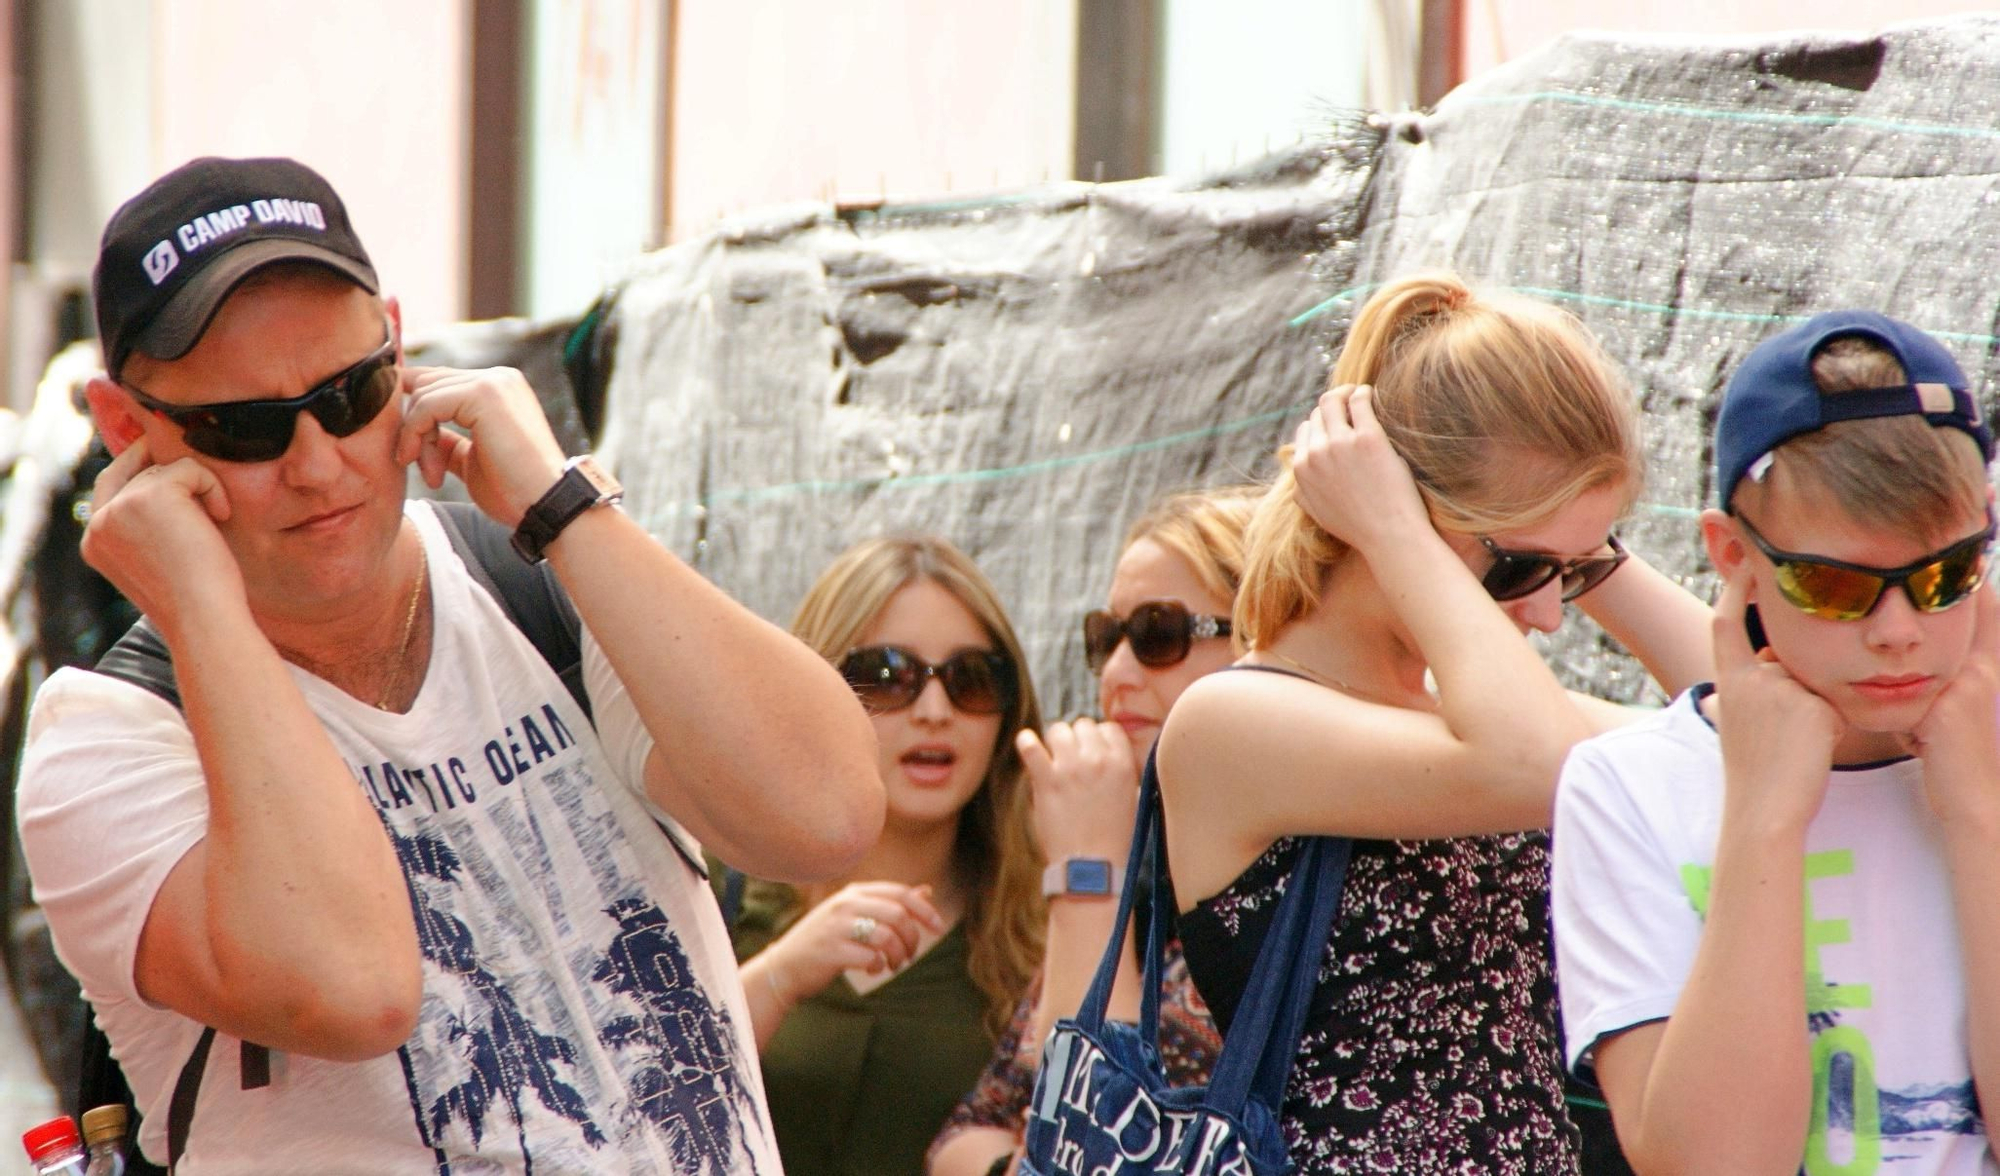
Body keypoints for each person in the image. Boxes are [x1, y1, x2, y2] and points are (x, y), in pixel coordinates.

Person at [14, 156, 884, 1173]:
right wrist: (201, 604)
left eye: (350, 393)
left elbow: (825, 817)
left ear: (399, 345)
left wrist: (564, 508)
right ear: (127, 429)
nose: (317, 463)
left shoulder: (540, 579)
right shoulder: (107, 738)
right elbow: (353, 986)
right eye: (241, 429)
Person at [1154, 272, 1713, 1173]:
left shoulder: (1475, 719)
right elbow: (1542, 768)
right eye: (1520, 571)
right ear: (1391, 509)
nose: (1547, 617)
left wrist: (1588, 556)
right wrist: (1396, 530)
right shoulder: (1233, 721)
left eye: (1568, 577)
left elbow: (1740, 727)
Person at [1553, 311, 2000, 1173]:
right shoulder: (1626, 786)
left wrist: (1980, 818)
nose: (1898, 630)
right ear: (1733, 555)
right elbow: (1713, 1164)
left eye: (1946, 576)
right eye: (1835, 585)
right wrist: (1763, 817)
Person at [926, 485, 1257, 1176]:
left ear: (1264, 637)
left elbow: (1078, 1150)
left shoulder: (1305, 886)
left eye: (1159, 635)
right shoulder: (1148, 865)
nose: (1114, 674)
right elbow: (969, 1128)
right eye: (1106, 638)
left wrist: (1086, 874)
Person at [725, 536, 1044, 1176]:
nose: (934, 711)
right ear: (815, 688)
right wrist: (780, 976)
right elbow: (618, 1098)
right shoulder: (715, 882)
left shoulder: (1044, 928)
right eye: (886, 677)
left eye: (971, 681)